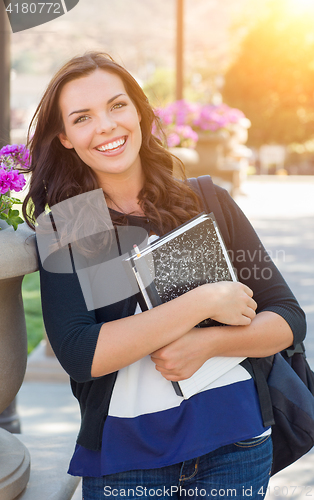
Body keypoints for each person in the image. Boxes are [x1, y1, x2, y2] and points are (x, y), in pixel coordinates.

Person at [22, 52, 306, 500]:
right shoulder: (71, 226)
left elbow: (287, 319)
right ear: (66, 139)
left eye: (117, 106)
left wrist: (208, 342)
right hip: (125, 458)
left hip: (235, 441)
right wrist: (203, 302)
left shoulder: (206, 199)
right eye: (83, 118)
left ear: (139, 111)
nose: (107, 126)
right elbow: (81, 353)